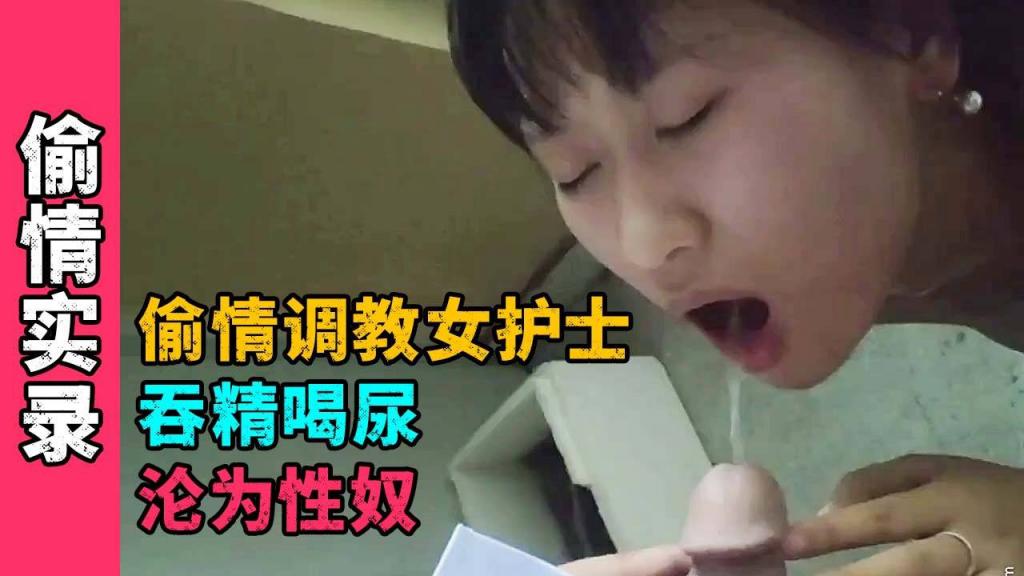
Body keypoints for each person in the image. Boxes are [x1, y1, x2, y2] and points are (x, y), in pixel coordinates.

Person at [446, 1, 1024, 574]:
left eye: (687, 118)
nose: (644, 244)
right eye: (574, 172)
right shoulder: (868, 251)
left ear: (915, 33)